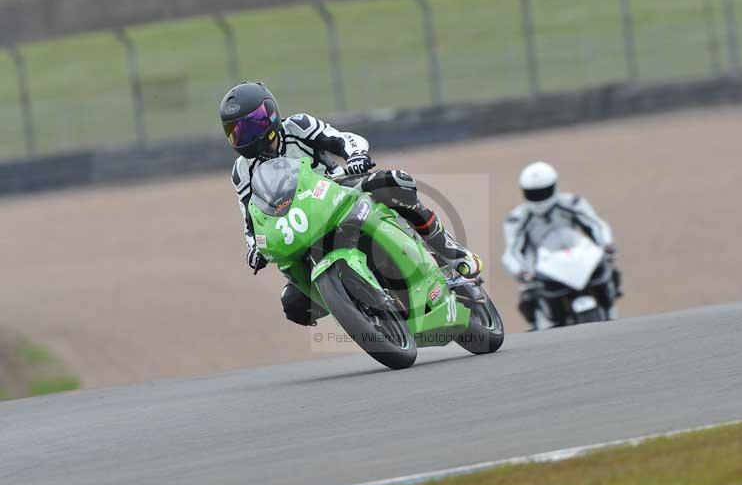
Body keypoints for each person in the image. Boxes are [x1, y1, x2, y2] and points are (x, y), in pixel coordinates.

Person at [220, 81, 483, 326]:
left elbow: (342, 138)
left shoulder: (298, 126)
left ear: (271, 115)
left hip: (337, 189)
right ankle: (365, 313)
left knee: (394, 183)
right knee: (294, 304)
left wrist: (356, 155)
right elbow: (250, 217)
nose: (245, 136)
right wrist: (254, 247)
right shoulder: (242, 171)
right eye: (236, 131)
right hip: (296, 222)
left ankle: (450, 251)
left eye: (252, 124)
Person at [502, 161, 622, 328]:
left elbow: (596, 224)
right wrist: (521, 271)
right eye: (534, 194)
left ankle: (610, 313)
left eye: (543, 192)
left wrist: (606, 245)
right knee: (527, 299)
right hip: (540, 270)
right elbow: (512, 251)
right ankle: (542, 327)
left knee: (609, 272)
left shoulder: (572, 203)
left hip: (576, 258)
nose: (539, 198)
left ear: (554, 187)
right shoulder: (517, 218)